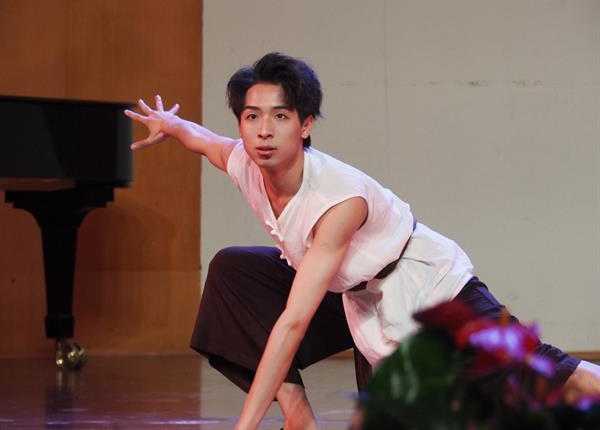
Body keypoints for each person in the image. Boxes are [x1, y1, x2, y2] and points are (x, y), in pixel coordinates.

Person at [125, 52, 600, 430]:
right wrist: (172, 125)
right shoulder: (246, 163)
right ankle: (298, 418)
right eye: (252, 116)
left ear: (305, 125)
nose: (264, 130)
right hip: (358, 297)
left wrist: (244, 426)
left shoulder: (338, 199)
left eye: (280, 116)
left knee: (557, 381)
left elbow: (294, 322)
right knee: (234, 272)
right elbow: (203, 139)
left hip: (427, 290)